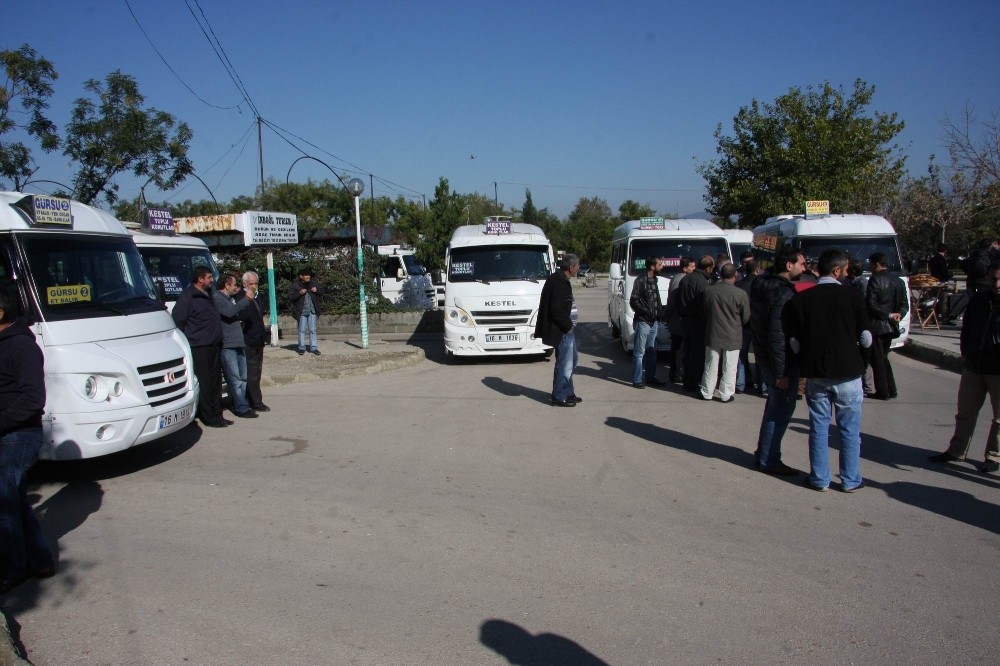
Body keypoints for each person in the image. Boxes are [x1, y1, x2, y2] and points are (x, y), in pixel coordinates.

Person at [783, 249, 872, 492]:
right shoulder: (853, 297)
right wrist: (862, 363)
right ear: (837, 270)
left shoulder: (801, 300)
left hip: (816, 374)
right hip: (849, 373)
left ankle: (820, 478)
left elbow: (794, 342)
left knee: (819, 428)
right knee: (849, 430)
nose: (847, 273)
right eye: (846, 269)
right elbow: (866, 338)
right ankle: (850, 479)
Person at [0, 287, 57, 595]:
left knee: (5, 503)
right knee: (16, 501)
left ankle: (14, 569)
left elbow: (33, 398)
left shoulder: (21, 346)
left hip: (18, 436)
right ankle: (40, 560)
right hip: (9, 434)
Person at [928, 260, 1000, 474]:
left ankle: (994, 456)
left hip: (998, 369)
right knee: (965, 412)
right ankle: (957, 450)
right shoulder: (979, 300)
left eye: (999, 279)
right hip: (974, 365)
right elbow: (966, 327)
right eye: (993, 278)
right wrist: (966, 351)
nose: (996, 283)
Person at [750, 245, 805, 475]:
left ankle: (765, 454)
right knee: (779, 411)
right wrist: (782, 372)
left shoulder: (762, 285)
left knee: (774, 409)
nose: (804, 268)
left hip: (766, 357)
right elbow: (778, 336)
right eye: (801, 263)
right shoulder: (782, 293)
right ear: (789, 265)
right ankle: (769, 459)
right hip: (779, 362)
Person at [172, 266, 228, 428]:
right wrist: (190, 339)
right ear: (200, 279)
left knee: (216, 382)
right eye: (209, 277)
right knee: (205, 383)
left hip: (214, 344)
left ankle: (218, 414)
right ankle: (209, 416)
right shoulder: (188, 297)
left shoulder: (209, 294)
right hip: (199, 346)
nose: (212, 280)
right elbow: (178, 321)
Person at [535, 254, 581, 407]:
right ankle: (559, 396)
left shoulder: (561, 279)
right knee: (565, 364)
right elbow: (556, 310)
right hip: (563, 331)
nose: (578, 268)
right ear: (571, 267)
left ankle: (568, 392)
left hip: (567, 330)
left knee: (572, 361)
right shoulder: (558, 281)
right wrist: (568, 326)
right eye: (577, 266)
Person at [700, 263, 750, 402]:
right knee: (730, 366)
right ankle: (725, 394)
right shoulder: (741, 294)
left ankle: (707, 392)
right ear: (735, 275)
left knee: (710, 365)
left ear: (720, 274)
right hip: (733, 334)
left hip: (713, 332)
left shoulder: (709, 291)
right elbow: (746, 317)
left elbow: (704, 312)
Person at [866, 252, 908, 400]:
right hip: (891, 326)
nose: (870, 267)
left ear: (876, 264)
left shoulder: (875, 279)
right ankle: (891, 388)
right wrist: (898, 315)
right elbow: (905, 305)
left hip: (878, 325)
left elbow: (871, 304)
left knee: (877, 359)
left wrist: (889, 315)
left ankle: (883, 391)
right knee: (883, 357)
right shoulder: (898, 281)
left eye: (871, 264)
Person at [214, 274, 256, 419]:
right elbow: (229, 312)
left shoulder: (230, 298)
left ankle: (240, 403)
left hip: (238, 341)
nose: (236, 287)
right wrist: (246, 300)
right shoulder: (218, 298)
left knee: (243, 377)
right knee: (234, 378)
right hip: (228, 344)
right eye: (234, 285)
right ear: (226, 285)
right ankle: (241, 407)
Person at [677, 255, 714, 392]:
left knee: (687, 351)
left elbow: (677, 300)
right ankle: (693, 381)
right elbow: (704, 305)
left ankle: (687, 378)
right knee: (697, 354)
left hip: (685, 320)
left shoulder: (685, 279)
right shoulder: (702, 282)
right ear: (708, 268)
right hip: (697, 321)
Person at [629, 256, 665, 389]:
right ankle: (637, 379)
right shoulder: (641, 280)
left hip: (653, 322)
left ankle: (650, 377)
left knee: (651, 351)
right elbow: (634, 301)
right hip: (643, 321)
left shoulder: (654, 280)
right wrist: (647, 312)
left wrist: (660, 313)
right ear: (652, 266)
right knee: (639, 352)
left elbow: (656, 300)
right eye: (660, 264)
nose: (662, 267)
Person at [239, 271, 270, 413]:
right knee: (251, 372)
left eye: (256, 283)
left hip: (259, 338)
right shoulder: (241, 297)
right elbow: (241, 316)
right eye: (251, 283)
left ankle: (252, 398)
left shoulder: (258, 296)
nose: (254, 286)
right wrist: (247, 299)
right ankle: (256, 402)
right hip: (248, 339)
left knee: (257, 371)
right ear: (244, 284)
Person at [847, 258, 876, 397]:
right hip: (856, 323)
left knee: (864, 354)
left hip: (859, 324)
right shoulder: (855, 282)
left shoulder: (861, 283)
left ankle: (868, 386)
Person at [665, 257, 695, 383]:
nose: (694, 269)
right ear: (684, 268)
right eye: (692, 267)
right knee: (678, 348)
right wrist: (667, 316)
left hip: (679, 319)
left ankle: (677, 372)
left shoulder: (682, 278)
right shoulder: (679, 280)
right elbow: (672, 301)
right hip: (678, 320)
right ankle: (676, 373)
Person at [735, 260, 760, 394]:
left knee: (742, 355)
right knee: (759, 355)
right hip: (758, 323)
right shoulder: (762, 284)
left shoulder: (739, 285)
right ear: (757, 270)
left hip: (742, 324)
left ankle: (741, 383)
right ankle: (762, 385)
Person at [288, 267, 325, 355]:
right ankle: (301, 347)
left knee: (313, 330)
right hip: (301, 311)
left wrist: (317, 290)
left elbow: (322, 291)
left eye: (309, 275)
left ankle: (313, 348)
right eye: (306, 275)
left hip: (312, 310)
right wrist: (299, 293)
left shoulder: (314, 283)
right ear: (301, 276)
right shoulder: (295, 285)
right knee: (301, 330)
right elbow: (290, 297)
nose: (308, 277)